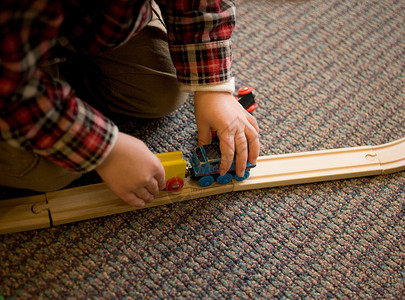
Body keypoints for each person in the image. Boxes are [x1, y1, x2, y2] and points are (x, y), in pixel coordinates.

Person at [0, 0, 260, 207]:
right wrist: (104, 150)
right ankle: (57, 96)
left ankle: (66, 85)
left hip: (95, 25)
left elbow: (198, 4)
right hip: (10, 63)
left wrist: (212, 87)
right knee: (50, 172)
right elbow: (11, 86)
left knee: (164, 92)